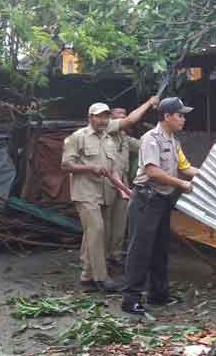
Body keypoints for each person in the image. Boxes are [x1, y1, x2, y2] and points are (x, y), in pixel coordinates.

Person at [61, 97, 159, 292]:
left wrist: (126, 190)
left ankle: (87, 276)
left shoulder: (109, 139)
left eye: (105, 117)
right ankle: (101, 278)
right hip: (85, 193)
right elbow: (65, 165)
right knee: (96, 230)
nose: (103, 121)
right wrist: (90, 168)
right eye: (99, 117)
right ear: (90, 117)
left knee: (97, 234)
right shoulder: (77, 137)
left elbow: (112, 169)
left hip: (105, 192)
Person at [121, 97, 198, 315]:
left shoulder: (174, 141)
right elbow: (153, 171)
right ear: (167, 116)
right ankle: (130, 299)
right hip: (146, 199)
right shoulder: (150, 139)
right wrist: (181, 183)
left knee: (160, 248)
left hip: (162, 200)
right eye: (180, 115)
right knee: (140, 249)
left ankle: (159, 293)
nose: (183, 119)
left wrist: (210, 173)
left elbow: (186, 167)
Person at [105, 107, 140, 267]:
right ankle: (102, 256)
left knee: (120, 221)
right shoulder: (107, 128)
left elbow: (141, 145)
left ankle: (115, 254)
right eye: (120, 115)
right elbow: (130, 121)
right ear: (111, 117)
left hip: (123, 182)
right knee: (105, 221)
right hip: (107, 181)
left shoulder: (125, 137)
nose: (124, 117)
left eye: (125, 114)